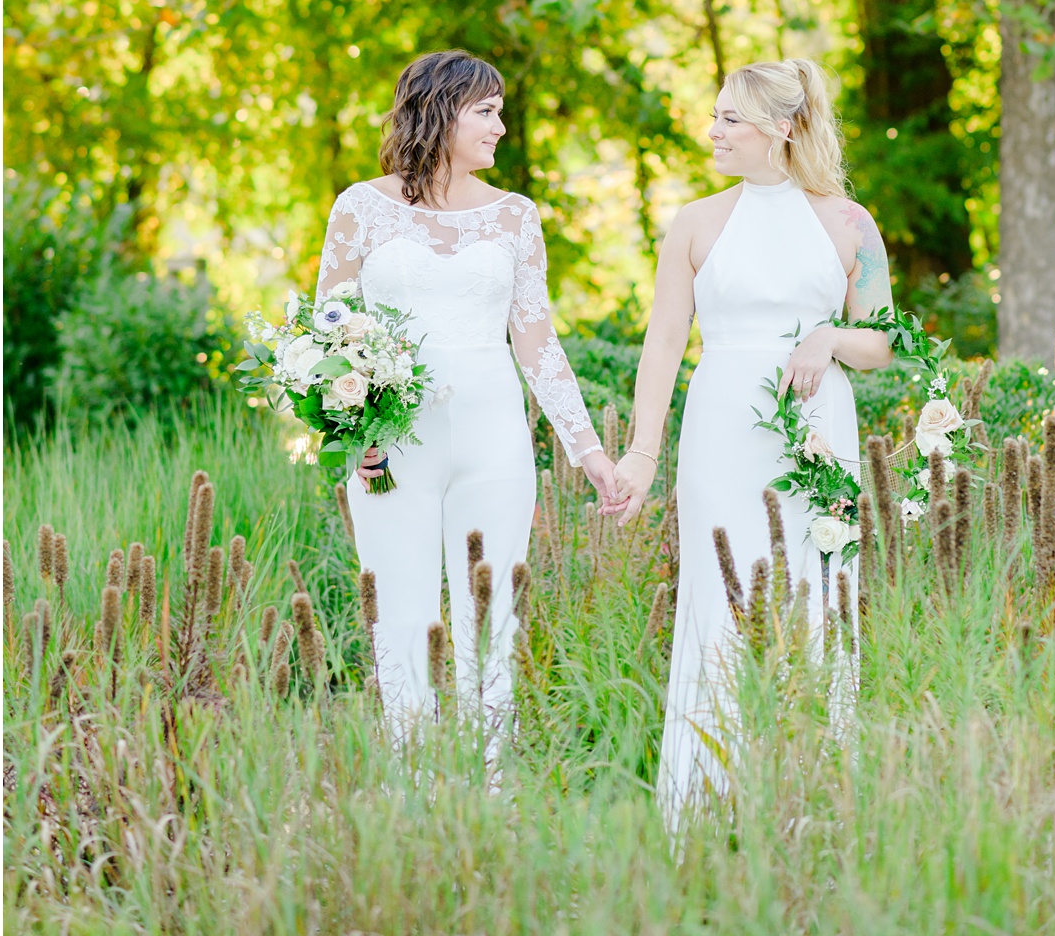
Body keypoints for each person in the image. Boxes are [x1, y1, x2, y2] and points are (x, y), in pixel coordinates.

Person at [604, 58, 894, 821]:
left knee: (815, 593)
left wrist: (828, 336)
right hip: (721, 425)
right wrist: (640, 451)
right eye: (716, 116)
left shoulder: (847, 223)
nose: (713, 131)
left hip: (816, 429)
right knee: (720, 594)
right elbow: (665, 341)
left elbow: (884, 343)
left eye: (730, 119)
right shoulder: (696, 221)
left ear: (782, 127)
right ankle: (706, 806)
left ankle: (813, 804)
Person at [320, 50, 620, 730]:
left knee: (491, 618)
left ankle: (487, 791)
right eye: (486, 112)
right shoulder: (361, 207)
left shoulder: (515, 217)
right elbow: (331, 333)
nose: (501, 128)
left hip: (494, 442)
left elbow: (538, 343)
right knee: (401, 612)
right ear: (441, 111)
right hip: (391, 442)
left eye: (500, 112)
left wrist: (590, 453)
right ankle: (413, 790)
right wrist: (357, 434)